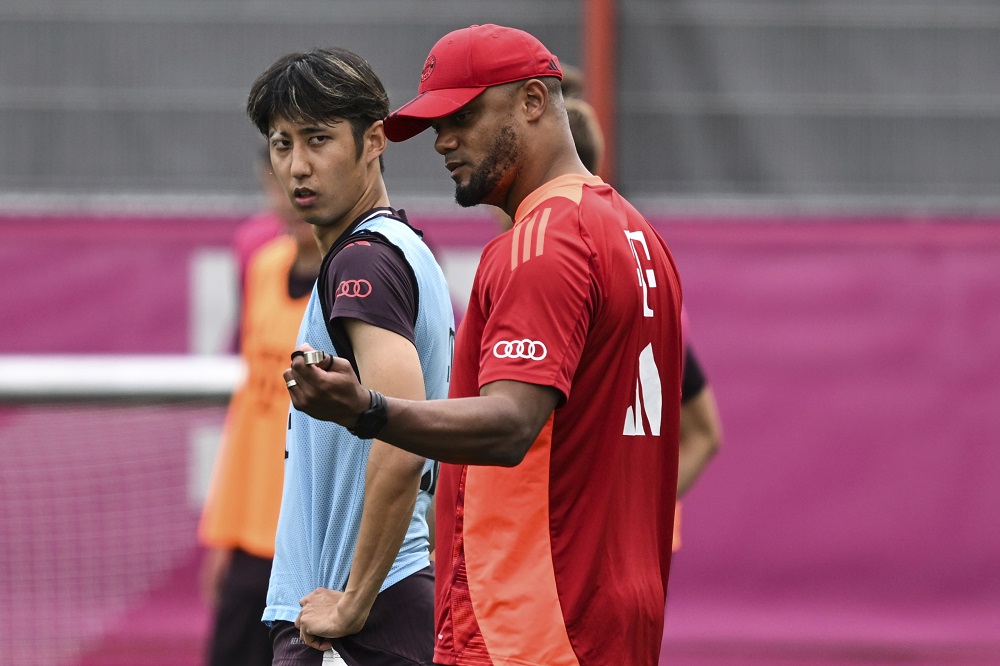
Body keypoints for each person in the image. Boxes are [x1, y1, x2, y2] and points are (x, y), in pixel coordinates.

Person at [285, 24, 684, 666]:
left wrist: (366, 410)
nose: (444, 142)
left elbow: (508, 425)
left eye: (463, 117)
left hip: (534, 620)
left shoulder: (541, 241)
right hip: (613, 614)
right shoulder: (639, 238)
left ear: (531, 101)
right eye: (435, 125)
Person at [246, 46, 454, 665]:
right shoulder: (402, 248)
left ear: (375, 141)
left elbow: (403, 434)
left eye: (319, 138)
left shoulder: (363, 261)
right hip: (380, 607)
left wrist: (353, 603)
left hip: (356, 623)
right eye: (282, 144)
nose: (299, 166)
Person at [198, 151, 322, 666]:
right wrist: (222, 533)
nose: (289, 192)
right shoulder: (265, 267)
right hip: (252, 539)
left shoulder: (356, 284)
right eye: (275, 180)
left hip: (313, 546)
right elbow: (250, 409)